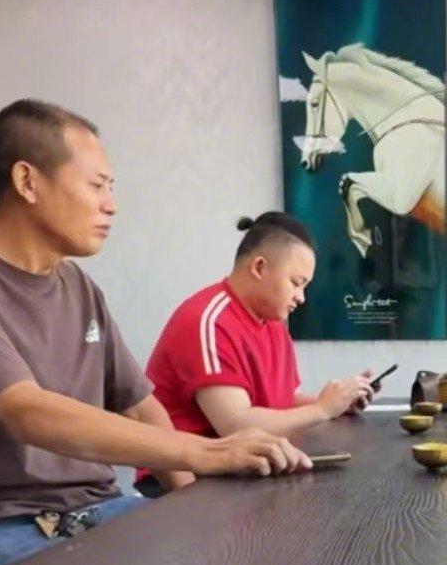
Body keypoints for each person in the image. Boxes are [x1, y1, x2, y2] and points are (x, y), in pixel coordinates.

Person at [0, 100, 308, 565]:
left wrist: (197, 507)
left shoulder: (78, 286)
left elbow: (141, 407)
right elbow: (25, 411)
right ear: (28, 181)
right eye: (97, 186)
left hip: (96, 508)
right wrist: (205, 451)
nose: (111, 204)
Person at [138, 212, 375, 497]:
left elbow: (281, 402)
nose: (301, 297)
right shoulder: (208, 321)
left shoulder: (273, 324)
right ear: (260, 267)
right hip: (185, 482)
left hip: (244, 470)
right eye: (296, 282)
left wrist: (337, 403)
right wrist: (322, 409)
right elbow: (236, 426)